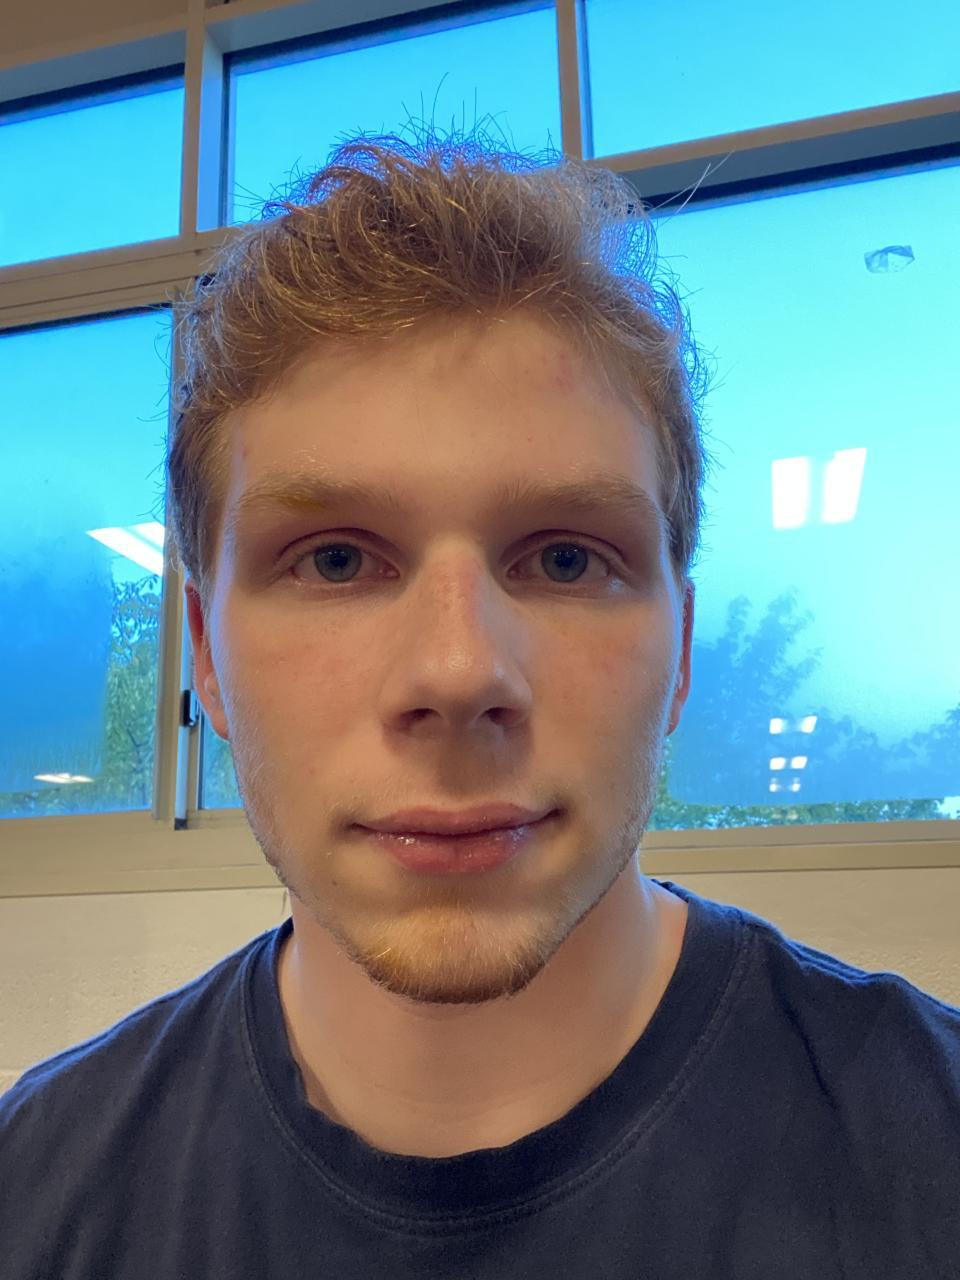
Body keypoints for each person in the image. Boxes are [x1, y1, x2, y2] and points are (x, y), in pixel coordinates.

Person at [2, 133, 958, 1279]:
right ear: (206, 654)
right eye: (337, 560)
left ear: (680, 653)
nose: (458, 675)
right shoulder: (30, 1189)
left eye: (564, 559)